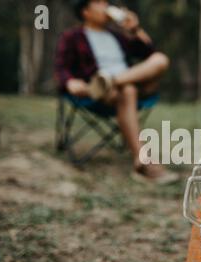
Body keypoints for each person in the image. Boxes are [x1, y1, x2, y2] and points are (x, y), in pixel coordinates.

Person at [55, 0, 178, 184]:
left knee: (160, 59)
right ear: (85, 11)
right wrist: (70, 82)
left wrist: (135, 29)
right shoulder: (73, 36)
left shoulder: (116, 36)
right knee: (127, 91)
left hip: (124, 81)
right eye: (98, 2)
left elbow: (148, 52)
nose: (105, 5)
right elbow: (62, 67)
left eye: (106, 2)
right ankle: (144, 162)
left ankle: (110, 82)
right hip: (102, 94)